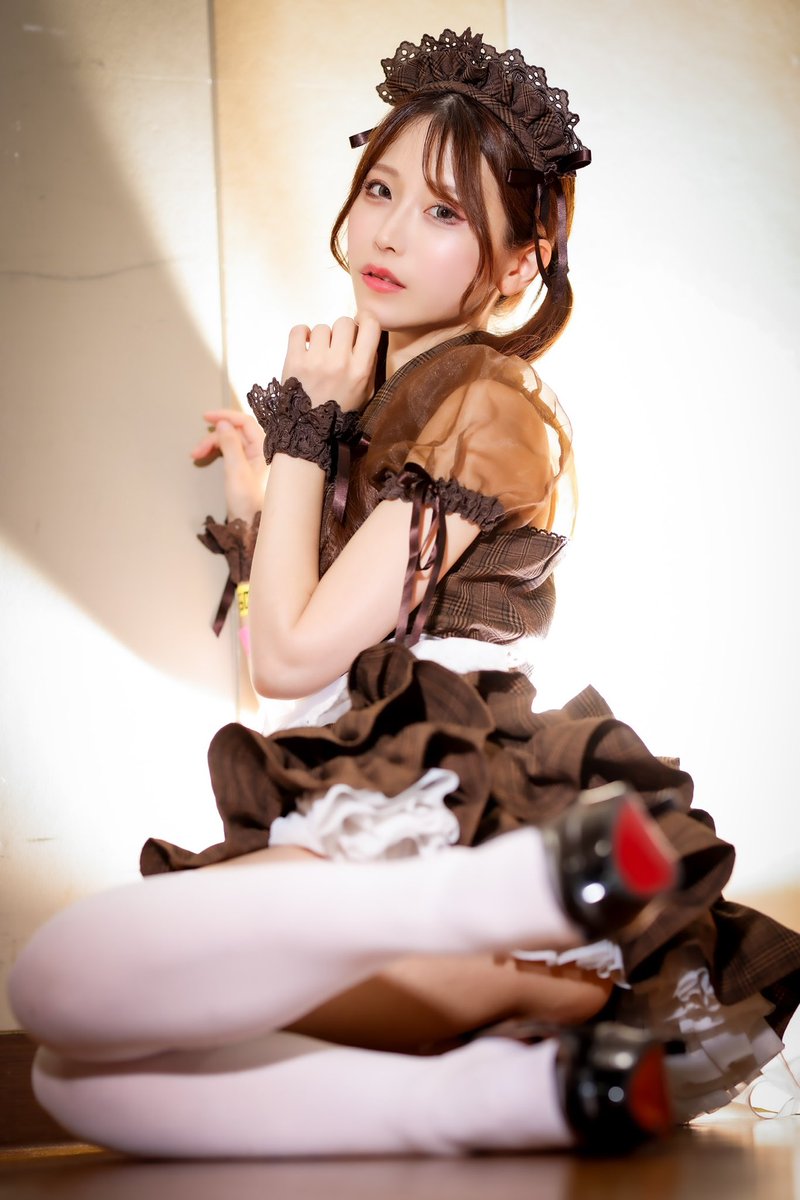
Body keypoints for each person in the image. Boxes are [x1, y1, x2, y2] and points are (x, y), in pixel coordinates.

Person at [9, 28, 800, 1159]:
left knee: (59, 979)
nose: (384, 233)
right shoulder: (400, 410)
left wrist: (303, 432)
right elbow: (287, 672)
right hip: (379, 794)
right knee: (74, 1080)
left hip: (446, 802)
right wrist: (275, 498)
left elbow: (288, 658)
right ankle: (515, 1085)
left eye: (442, 212)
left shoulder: (487, 402)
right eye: (379, 189)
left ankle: (514, 924)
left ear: (519, 264)